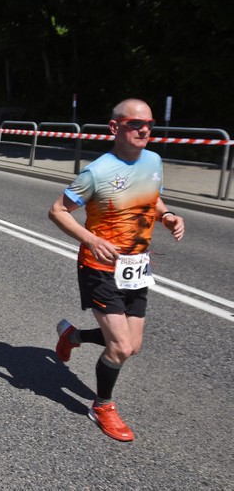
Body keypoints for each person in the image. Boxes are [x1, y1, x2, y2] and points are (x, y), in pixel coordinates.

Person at [48, 98, 185, 442]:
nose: (144, 130)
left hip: (136, 266)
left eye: (149, 124)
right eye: (135, 124)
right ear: (114, 128)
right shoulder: (98, 172)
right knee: (120, 346)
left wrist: (167, 216)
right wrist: (91, 239)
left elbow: (153, 199)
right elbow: (57, 211)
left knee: (132, 346)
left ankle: (73, 336)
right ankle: (102, 406)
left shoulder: (153, 160)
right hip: (100, 267)